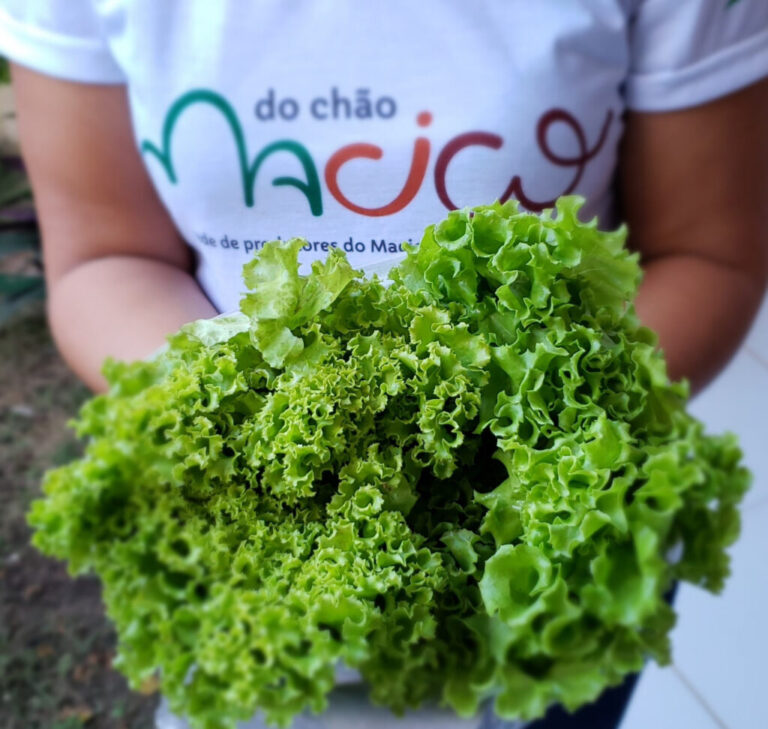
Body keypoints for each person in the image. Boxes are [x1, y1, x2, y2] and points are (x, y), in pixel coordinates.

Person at [1, 2, 767, 728]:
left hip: (540, 556)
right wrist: (251, 425)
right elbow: (106, 254)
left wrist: (506, 456)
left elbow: (704, 253)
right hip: (248, 538)